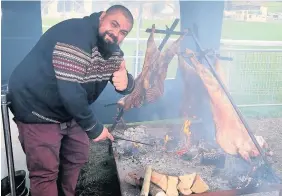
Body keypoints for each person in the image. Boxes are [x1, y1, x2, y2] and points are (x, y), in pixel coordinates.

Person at [8, 5, 135, 196]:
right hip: (37, 109)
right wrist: (94, 127)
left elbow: (123, 80)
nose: (116, 33)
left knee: (77, 155)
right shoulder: (76, 34)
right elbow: (71, 91)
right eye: (114, 24)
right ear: (102, 17)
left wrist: (126, 82)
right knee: (45, 172)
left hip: (69, 111)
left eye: (123, 32)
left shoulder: (112, 50)